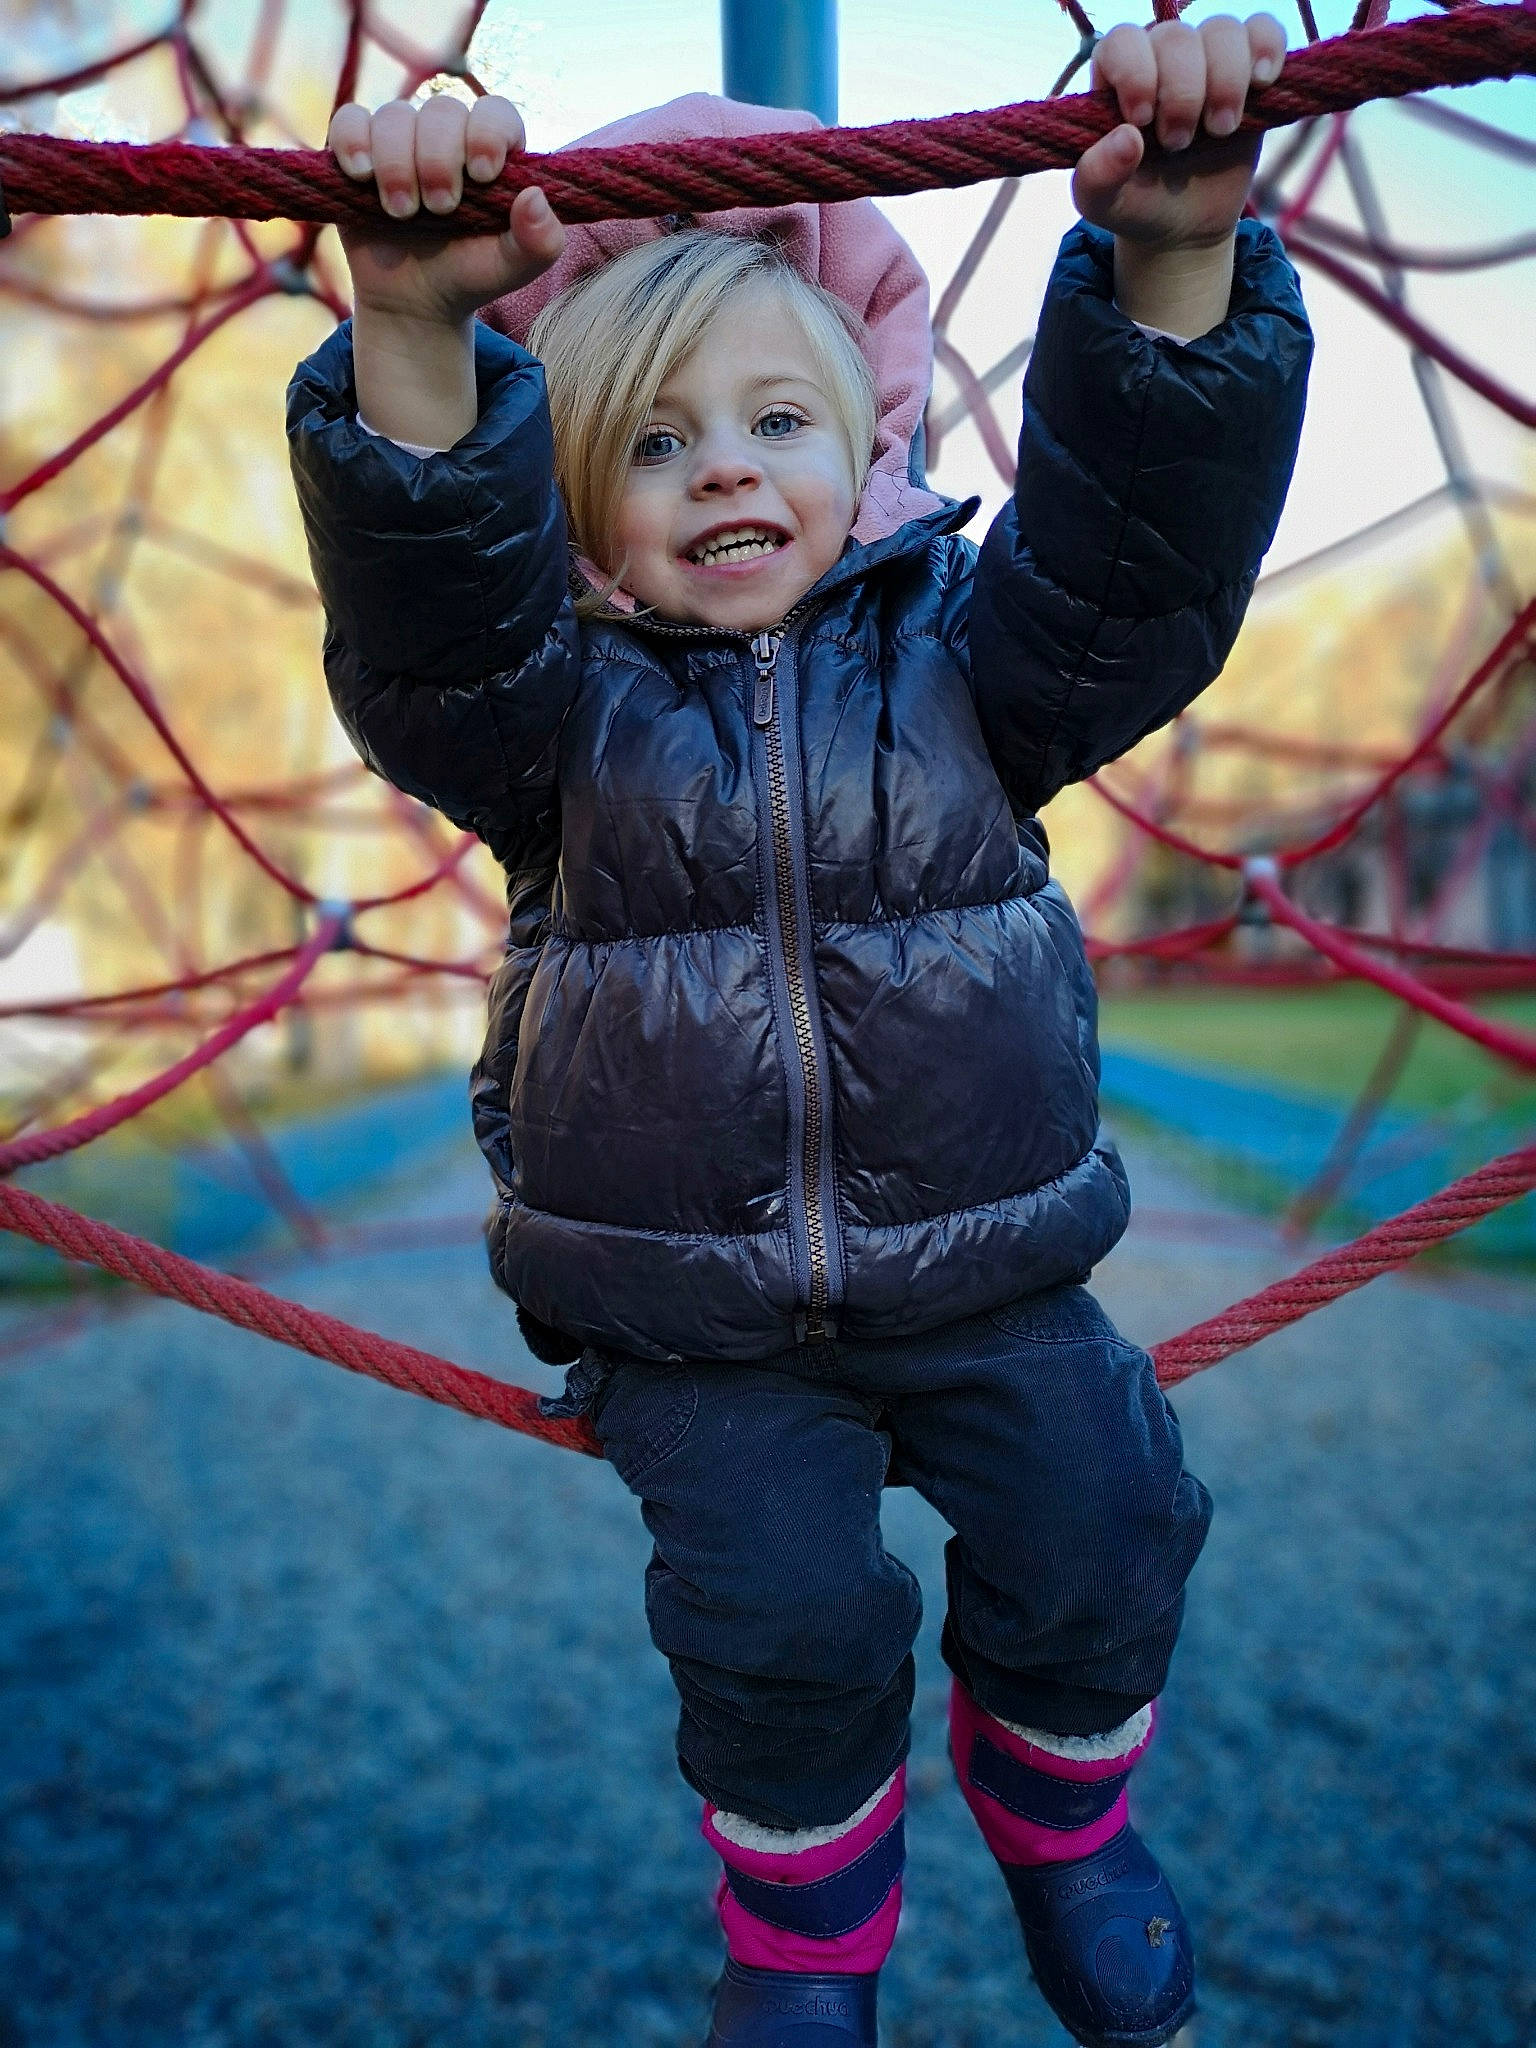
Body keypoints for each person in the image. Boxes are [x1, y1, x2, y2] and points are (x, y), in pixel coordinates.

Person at [288, 20, 1310, 2045]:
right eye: (656, 443)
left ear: (875, 450)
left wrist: (1177, 273)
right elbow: (429, 625)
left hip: (992, 1267)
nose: (728, 464)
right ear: (578, 505)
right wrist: (414, 336)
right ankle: (808, 1951)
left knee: (1109, 1526)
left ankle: (1064, 1820)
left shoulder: (968, 657)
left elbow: (1139, 565)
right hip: (693, 1313)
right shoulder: (545, 711)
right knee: (774, 1626)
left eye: (778, 418)